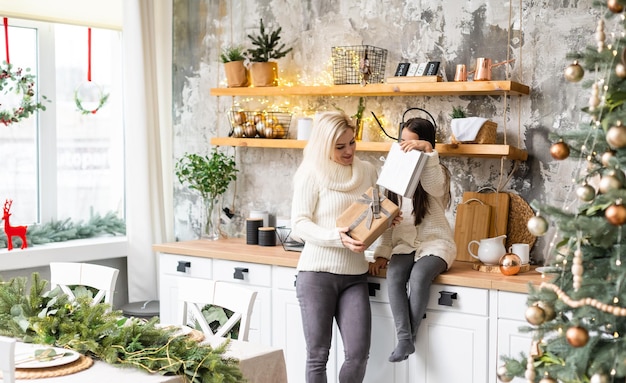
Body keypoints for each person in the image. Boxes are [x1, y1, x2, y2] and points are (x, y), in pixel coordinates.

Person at [291, 111, 379, 383]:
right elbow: (299, 224)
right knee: (318, 355)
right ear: (324, 145)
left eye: (352, 142)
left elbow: (371, 218)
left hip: (354, 276)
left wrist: (387, 221)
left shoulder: (367, 171)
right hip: (316, 274)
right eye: (340, 147)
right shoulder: (310, 172)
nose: (349, 150)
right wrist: (334, 236)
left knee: (358, 354)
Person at [369, 117, 456, 363]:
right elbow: (388, 218)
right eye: (402, 142)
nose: (406, 148)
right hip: (405, 243)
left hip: (435, 243)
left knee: (418, 277)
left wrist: (427, 151)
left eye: (412, 143)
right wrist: (383, 252)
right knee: (395, 276)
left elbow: (436, 187)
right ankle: (405, 339)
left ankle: (407, 340)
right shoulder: (395, 176)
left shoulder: (436, 171)